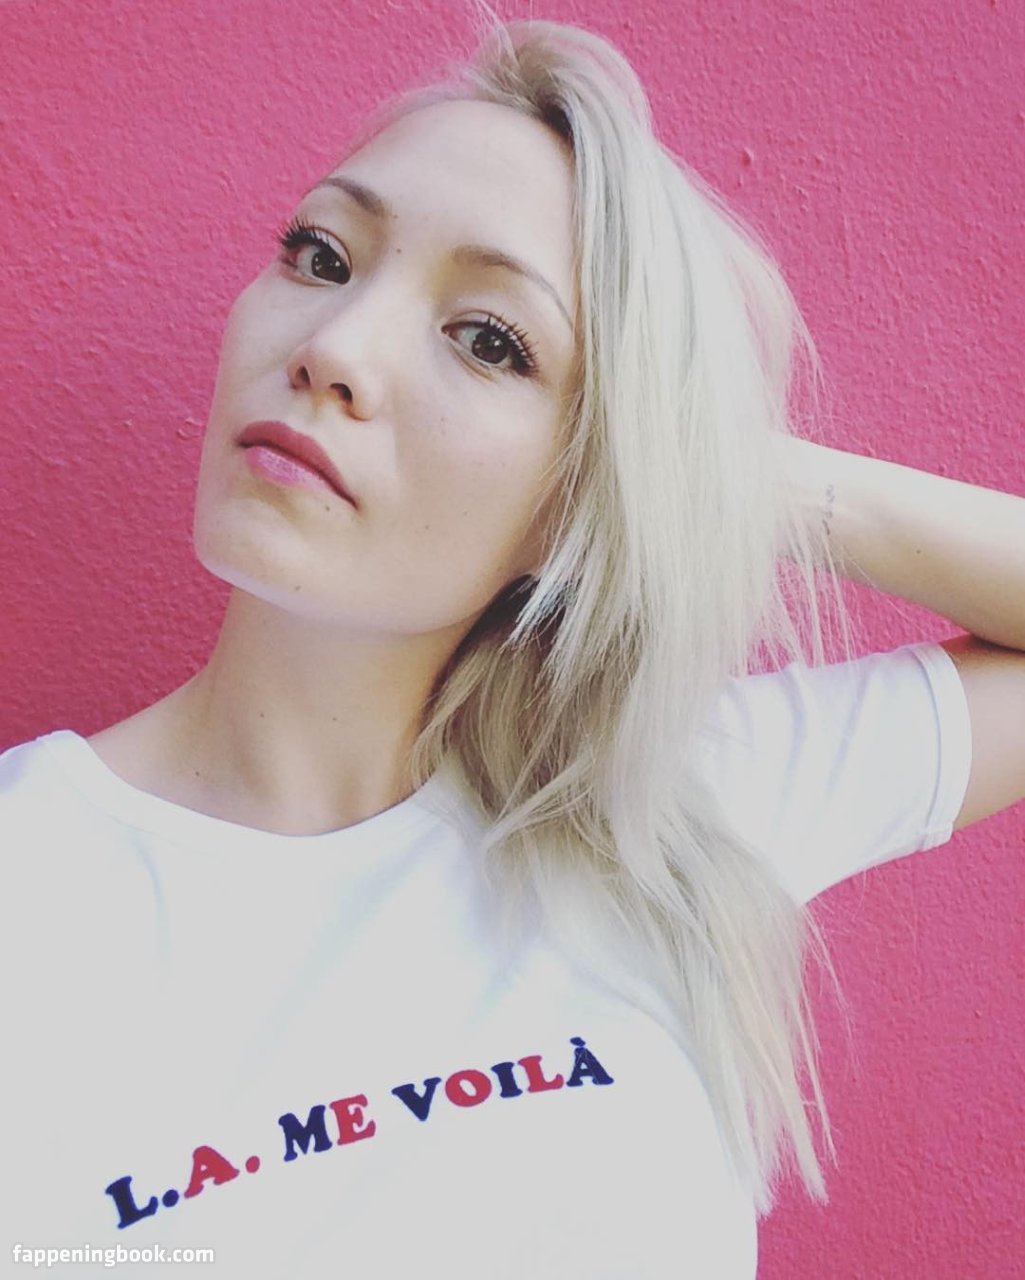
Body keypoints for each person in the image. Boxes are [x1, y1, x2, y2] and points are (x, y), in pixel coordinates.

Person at [3, 7, 1023, 1278]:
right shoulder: (31, 882)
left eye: (489, 338)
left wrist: (700, 476)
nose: (331, 348)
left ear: (584, 485)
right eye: (321, 254)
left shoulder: (661, 819)